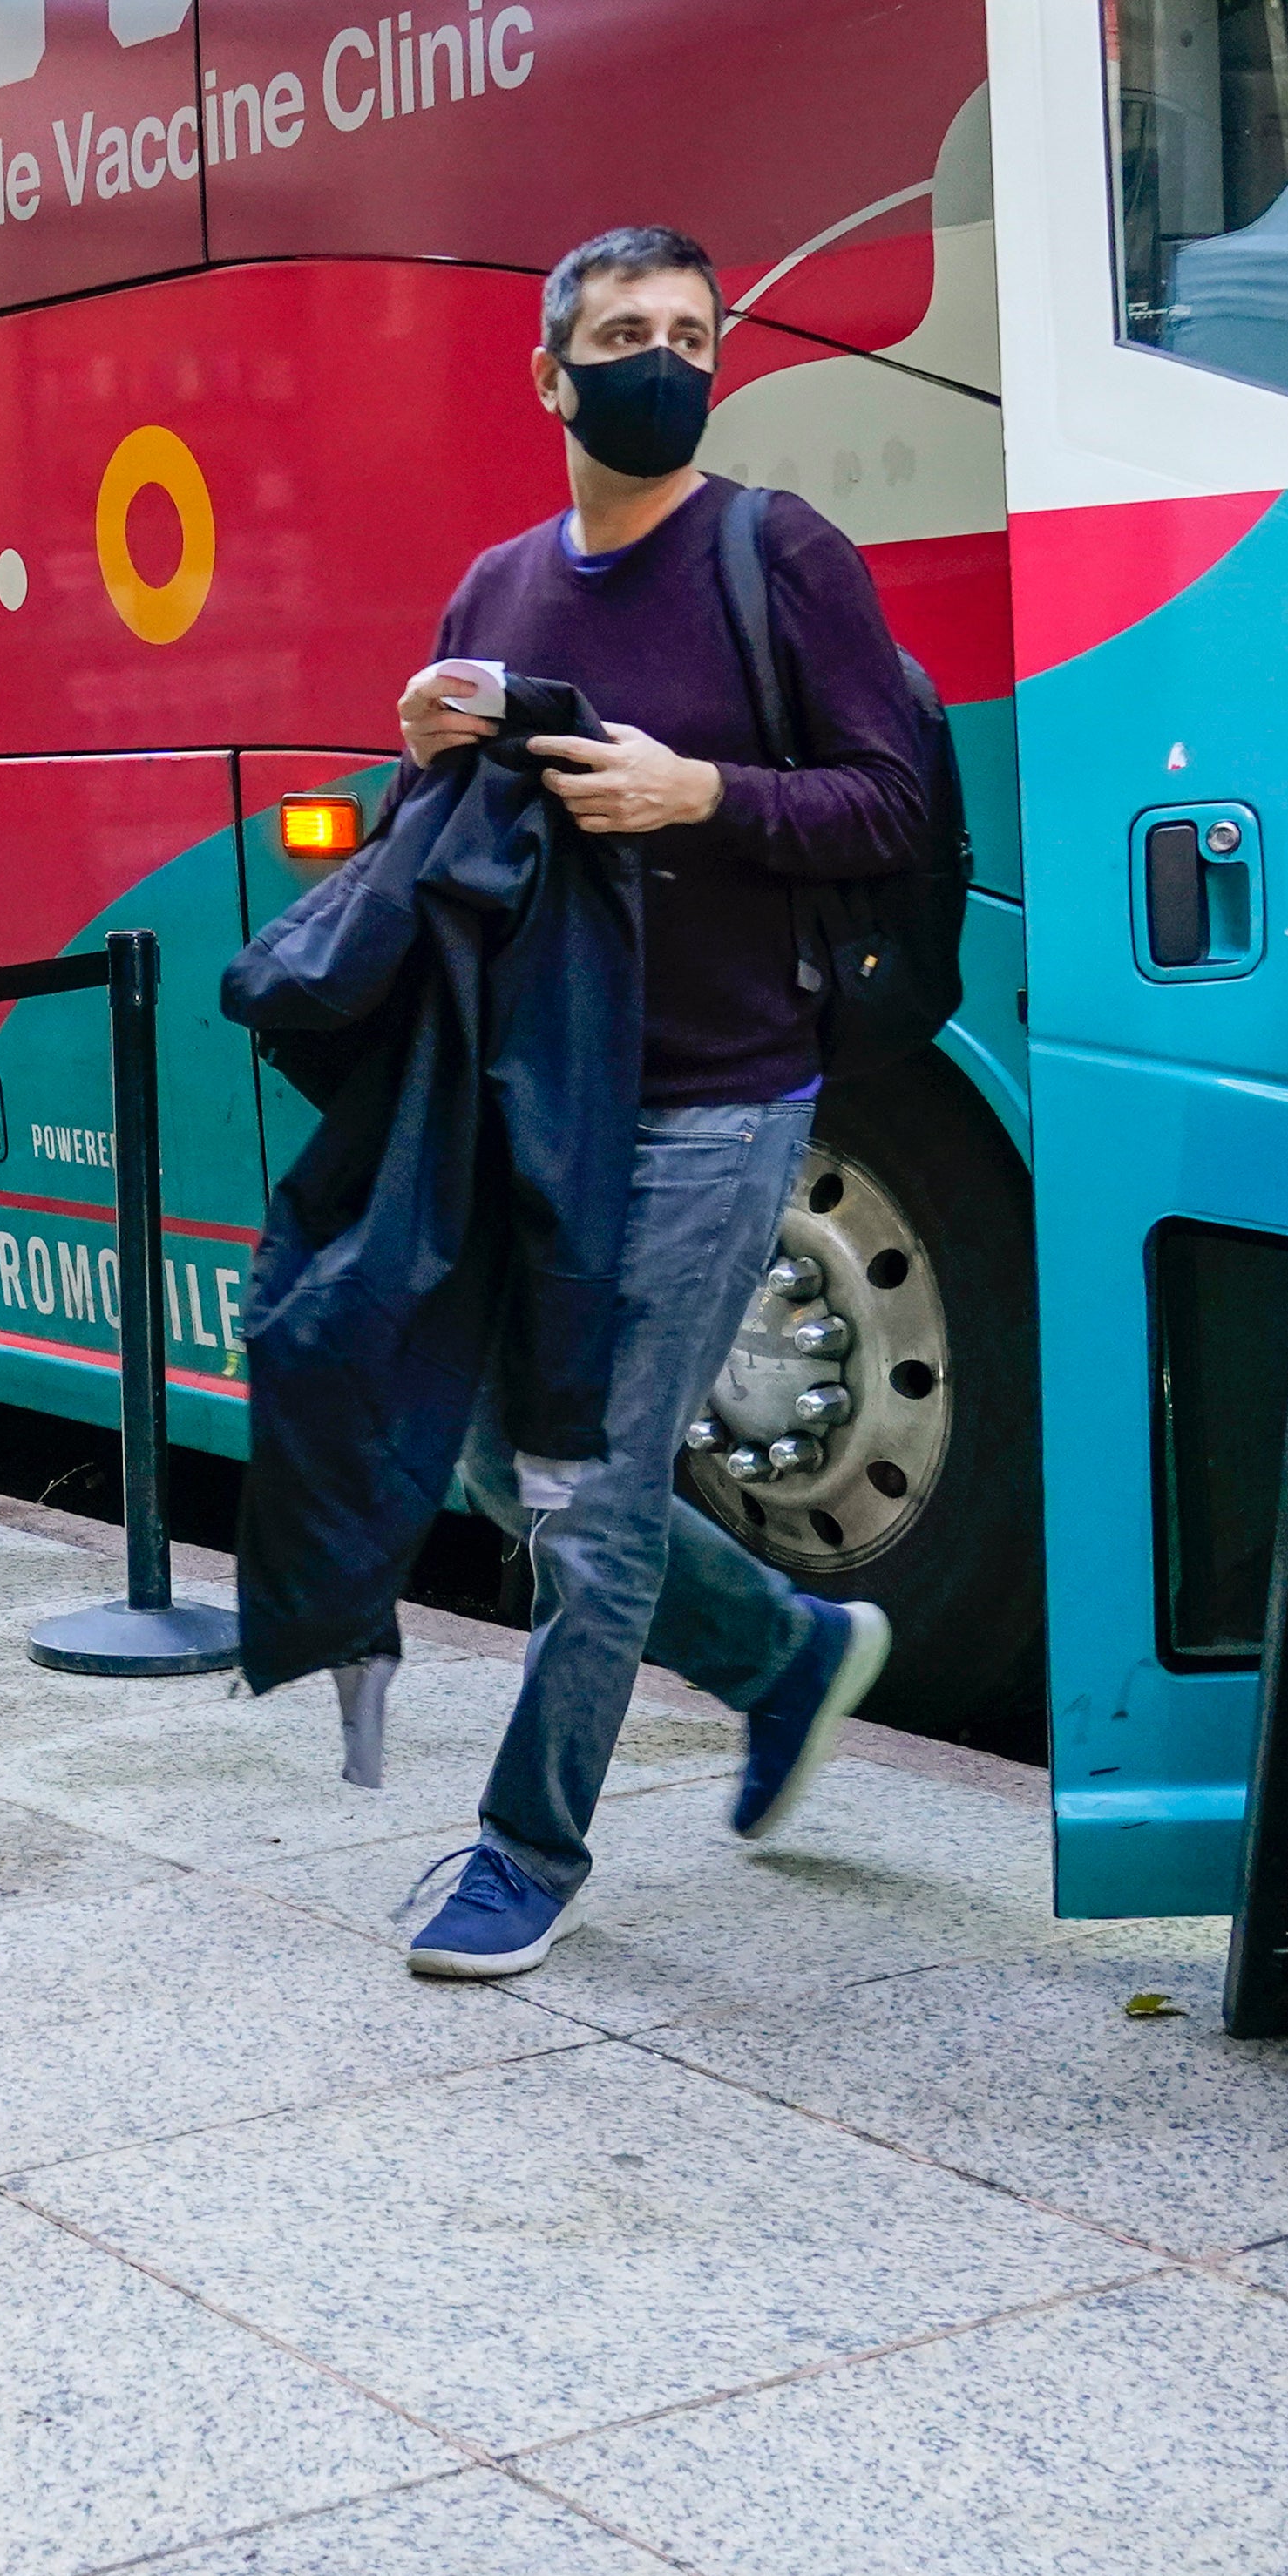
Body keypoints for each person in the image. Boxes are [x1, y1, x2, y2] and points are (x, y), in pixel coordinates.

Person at [396, 225, 934, 1981]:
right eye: (623, 332)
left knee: (598, 1479)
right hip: (544, 1088)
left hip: (723, 1093)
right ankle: (784, 1656)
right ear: (552, 376)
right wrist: (416, 744)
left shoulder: (779, 554)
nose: (665, 358)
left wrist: (698, 794)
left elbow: (890, 807)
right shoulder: (495, 588)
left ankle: (524, 1849)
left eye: (691, 332)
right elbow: (474, 848)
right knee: (495, 1455)